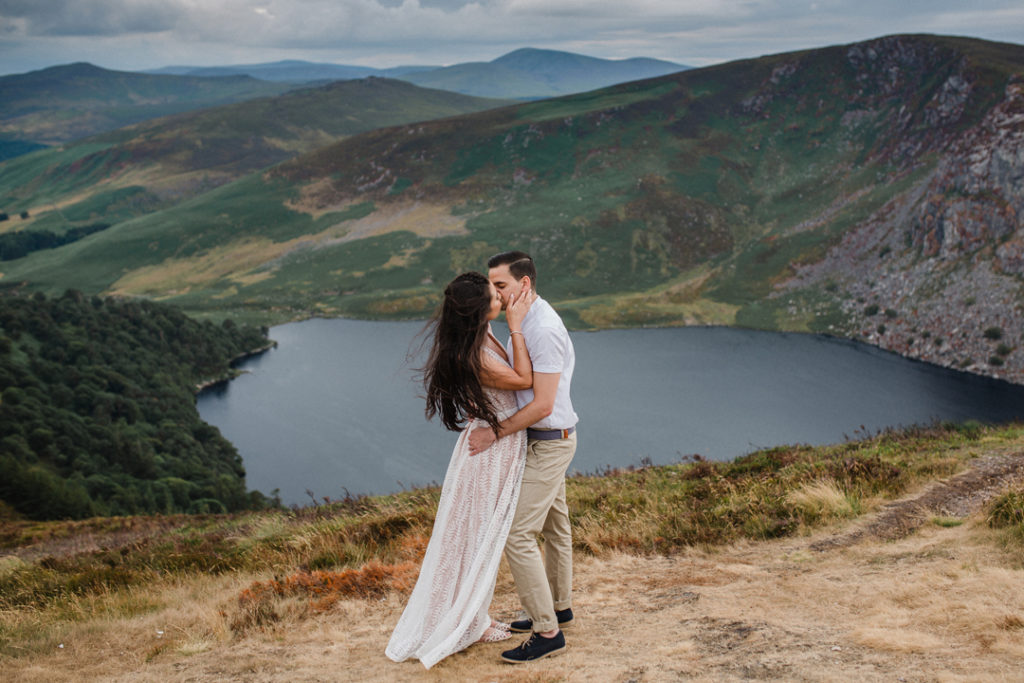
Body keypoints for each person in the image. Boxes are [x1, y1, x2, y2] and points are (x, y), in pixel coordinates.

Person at [385, 271, 535, 669]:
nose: (500, 298)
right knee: (475, 537)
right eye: (494, 295)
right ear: (478, 310)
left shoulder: (476, 337)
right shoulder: (477, 353)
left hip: (495, 441)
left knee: (475, 536)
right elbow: (524, 378)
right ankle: (468, 622)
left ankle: (472, 615)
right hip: (491, 449)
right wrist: (517, 328)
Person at [468, 251, 579, 664]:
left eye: (500, 286)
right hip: (543, 440)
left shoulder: (543, 327)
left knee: (518, 535)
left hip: (548, 441)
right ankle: (559, 606)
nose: (492, 294)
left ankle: (547, 631)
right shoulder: (524, 321)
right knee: (556, 527)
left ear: (524, 285)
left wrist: (492, 433)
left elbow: (543, 404)